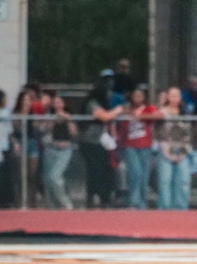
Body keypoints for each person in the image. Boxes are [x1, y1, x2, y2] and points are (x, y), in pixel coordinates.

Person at [80, 75, 123, 208]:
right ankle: (92, 197)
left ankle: (104, 196)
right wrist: (117, 110)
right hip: (90, 142)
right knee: (94, 171)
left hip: (101, 142)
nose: (110, 95)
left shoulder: (103, 104)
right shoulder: (93, 103)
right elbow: (104, 117)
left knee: (105, 170)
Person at [119, 88, 160, 210]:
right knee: (135, 173)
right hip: (130, 146)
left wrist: (140, 116)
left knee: (144, 175)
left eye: (140, 96)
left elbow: (157, 115)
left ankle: (143, 202)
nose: (138, 98)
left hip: (145, 146)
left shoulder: (148, 108)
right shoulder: (127, 110)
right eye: (136, 96)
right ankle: (133, 201)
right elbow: (121, 126)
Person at [156, 87, 193, 210]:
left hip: (182, 150)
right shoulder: (162, 112)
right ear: (168, 97)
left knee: (183, 180)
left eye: (176, 96)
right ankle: (165, 208)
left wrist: (183, 152)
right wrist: (167, 152)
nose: (174, 98)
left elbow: (189, 133)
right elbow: (158, 133)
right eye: (171, 96)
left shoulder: (185, 113)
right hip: (166, 149)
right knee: (165, 181)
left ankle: (181, 208)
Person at [41, 95, 77, 209]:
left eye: (59, 102)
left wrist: (67, 119)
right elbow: (44, 130)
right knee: (48, 178)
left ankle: (65, 202)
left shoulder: (69, 116)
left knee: (55, 176)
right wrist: (53, 120)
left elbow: (74, 133)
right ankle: (53, 204)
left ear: (63, 104)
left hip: (65, 150)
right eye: (55, 103)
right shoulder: (49, 116)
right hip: (51, 149)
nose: (57, 105)